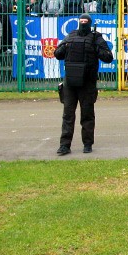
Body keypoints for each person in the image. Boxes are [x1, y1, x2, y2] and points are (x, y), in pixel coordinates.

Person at [54, 13, 113, 155]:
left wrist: (96, 47)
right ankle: (64, 145)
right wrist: (65, 47)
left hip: (87, 82)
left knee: (87, 115)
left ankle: (87, 144)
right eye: (82, 21)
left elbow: (108, 57)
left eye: (86, 22)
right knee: (68, 115)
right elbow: (58, 54)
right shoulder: (71, 35)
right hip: (70, 82)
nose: (83, 24)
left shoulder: (96, 37)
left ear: (90, 23)